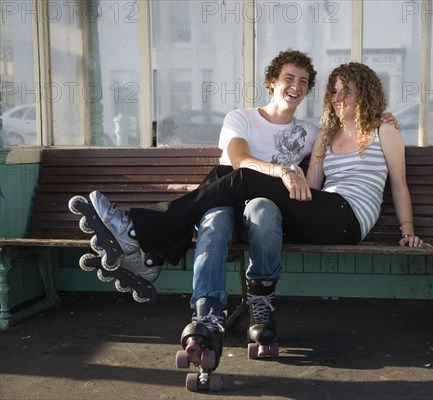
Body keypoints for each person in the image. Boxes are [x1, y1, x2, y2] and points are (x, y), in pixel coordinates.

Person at [75, 58, 412, 380]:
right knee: (225, 172)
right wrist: (297, 176)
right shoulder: (324, 135)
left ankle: (140, 233)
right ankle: (148, 252)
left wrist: (407, 230)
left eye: (347, 90)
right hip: (323, 211)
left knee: (244, 178)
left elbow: (399, 185)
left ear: (365, 93)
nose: (338, 98)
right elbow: (310, 191)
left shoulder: (384, 130)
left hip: (349, 218)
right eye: (334, 91)